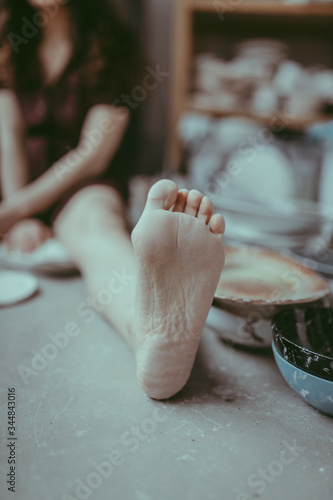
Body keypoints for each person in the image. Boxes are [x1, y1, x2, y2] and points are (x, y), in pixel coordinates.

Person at [0, 0, 225, 400]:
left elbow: (94, 155)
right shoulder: (6, 40)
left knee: (98, 233)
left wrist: (13, 211)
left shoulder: (113, 42)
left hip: (85, 184)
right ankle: (152, 332)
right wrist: (18, 214)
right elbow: (9, 139)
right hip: (18, 189)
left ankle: (151, 337)